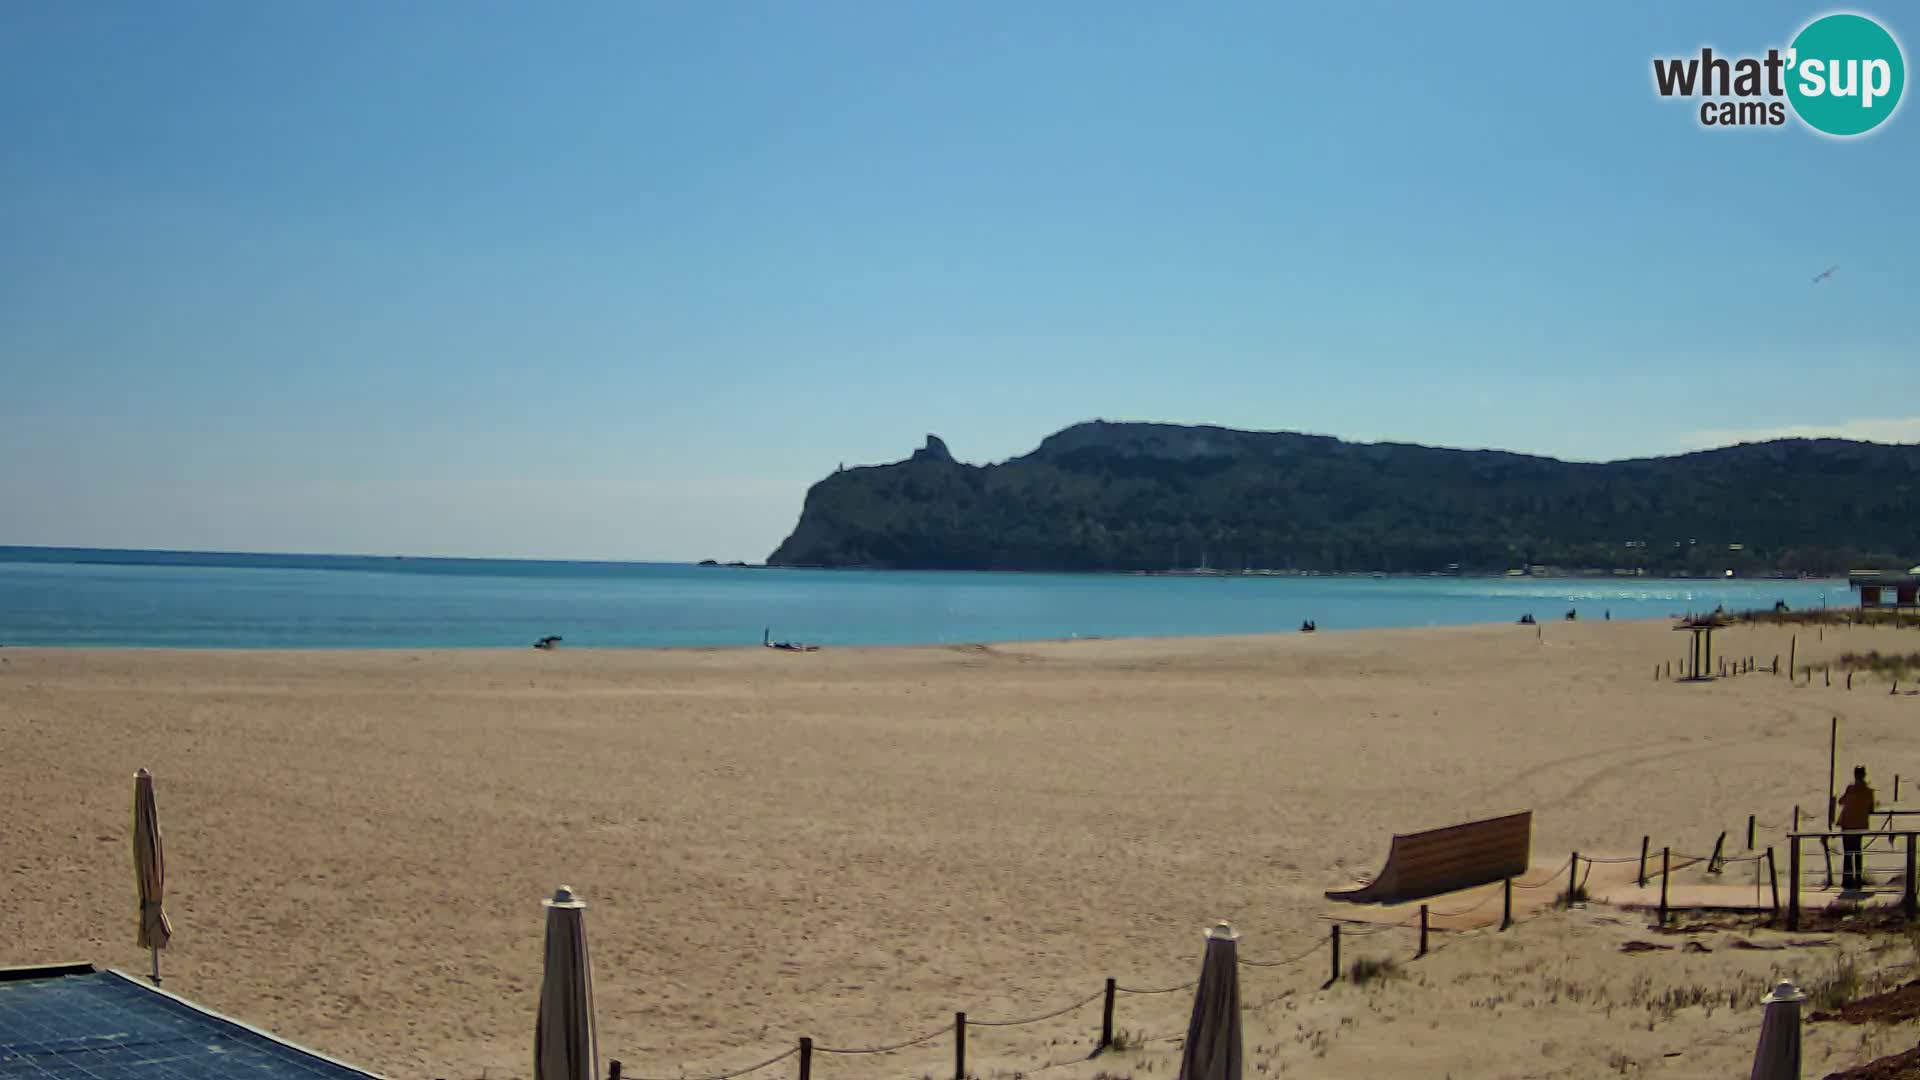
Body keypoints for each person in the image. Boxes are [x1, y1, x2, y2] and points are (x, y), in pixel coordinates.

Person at [1837, 765, 1877, 889]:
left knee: (1848, 853)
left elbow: (1840, 801)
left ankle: (1847, 880)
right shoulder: (1869, 791)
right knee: (1858, 852)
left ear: (1855, 775)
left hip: (1847, 824)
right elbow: (1871, 809)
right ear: (1864, 775)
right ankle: (1858, 880)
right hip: (1859, 825)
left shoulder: (1850, 789)